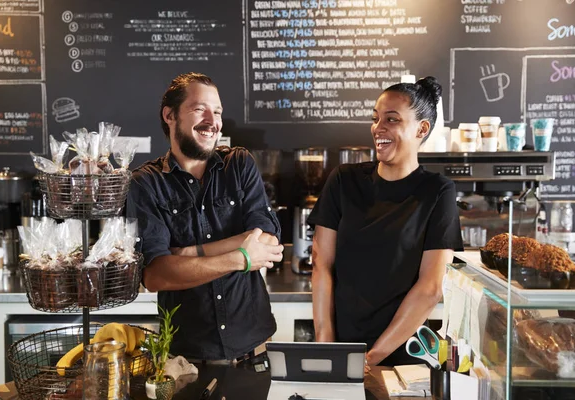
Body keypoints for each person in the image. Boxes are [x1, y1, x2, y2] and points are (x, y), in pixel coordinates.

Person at [126, 72, 283, 363]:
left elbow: (268, 240)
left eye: (218, 111)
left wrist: (192, 253)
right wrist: (241, 257)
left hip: (256, 354)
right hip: (188, 361)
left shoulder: (239, 164)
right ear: (170, 115)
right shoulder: (145, 183)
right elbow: (156, 275)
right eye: (200, 109)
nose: (213, 121)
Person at [308, 77, 463, 366]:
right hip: (341, 346)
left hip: (402, 354)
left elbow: (430, 287)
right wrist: (325, 345)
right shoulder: (344, 180)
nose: (378, 128)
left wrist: (371, 358)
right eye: (376, 118)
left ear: (422, 129)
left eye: (391, 119)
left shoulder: (438, 191)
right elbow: (322, 264)